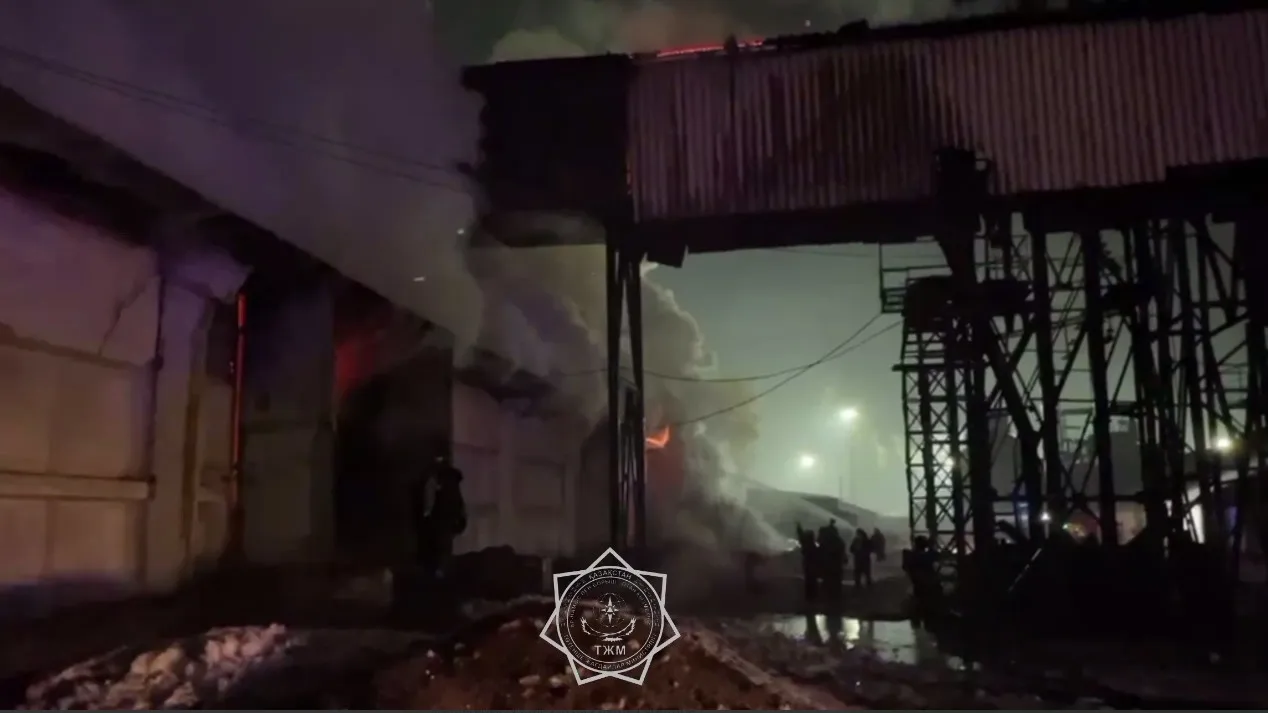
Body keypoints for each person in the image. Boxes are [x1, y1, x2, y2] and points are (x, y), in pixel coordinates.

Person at [413, 454, 467, 580]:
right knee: (445, 548)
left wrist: (425, 516)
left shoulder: (435, 477)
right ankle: (442, 573)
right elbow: (459, 501)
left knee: (435, 548)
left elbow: (429, 500)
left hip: (438, 520)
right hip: (450, 520)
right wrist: (461, 518)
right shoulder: (453, 478)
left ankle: (436, 575)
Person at [818, 519, 847, 609]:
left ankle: (831, 598)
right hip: (835, 565)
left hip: (830, 564)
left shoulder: (826, 541)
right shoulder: (839, 541)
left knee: (829, 580)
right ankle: (835, 598)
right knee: (835, 581)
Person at [795, 522, 820, 607]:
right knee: (812, 580)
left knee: (809, 580)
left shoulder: (807, 545)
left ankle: (810, 596)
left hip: (808, 564)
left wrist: (798, 527)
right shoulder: (813, 545)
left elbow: (801, 536)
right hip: (813, 565)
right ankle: (813, 596)